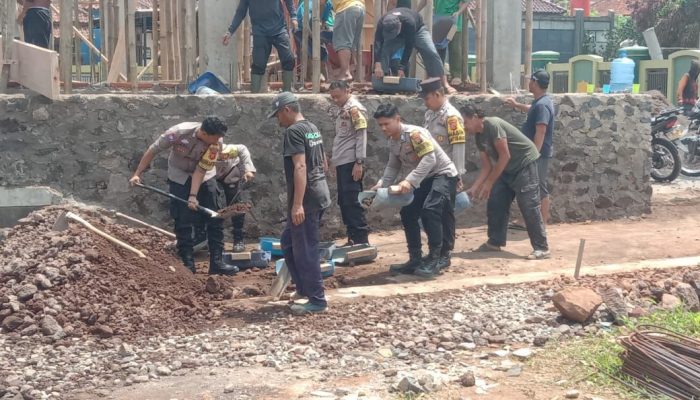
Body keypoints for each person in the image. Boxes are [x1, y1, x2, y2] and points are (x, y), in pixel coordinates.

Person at [129, 117, 238, 276]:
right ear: (205, 133)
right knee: (182, 219)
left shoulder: (217, 144)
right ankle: (187, 264)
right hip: (178, 175)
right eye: (215, 137)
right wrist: (137, 174)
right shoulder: (177, 133)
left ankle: (217, 263)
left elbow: (200, 171)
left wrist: (193, 196)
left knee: (214, 216)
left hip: (205, 176)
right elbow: (153, 150)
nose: (218, 140)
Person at [371, 103, 458, 278]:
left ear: (397, 119)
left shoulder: (414, 134)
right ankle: (415, 258)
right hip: (426, 178)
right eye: (380, 125)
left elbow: (429, 159)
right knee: (408, 212)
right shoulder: (394, 141)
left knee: (431, 209)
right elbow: (392, 166)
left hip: (443, 174)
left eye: (386, 124)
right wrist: (382, 185)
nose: (383, 128)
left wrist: (409, 181)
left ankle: (436, 258)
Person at [459, 104, 550, 260]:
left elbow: (505, 155)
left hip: (524, 164)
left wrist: (489, 183)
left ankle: (541, 248)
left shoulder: (493, 125)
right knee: (496, 201)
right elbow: (487, 166)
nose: (464, 126)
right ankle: (495, 242)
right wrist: (474, 187)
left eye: (465, 122)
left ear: (475, 117)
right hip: (507, 168)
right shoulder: (479, 136)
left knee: (529, 205)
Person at [268, 92, 331, 315]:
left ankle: (317, 299)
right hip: (319, 192)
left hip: (308, 198)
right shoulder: (311, 127)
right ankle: (304, 289)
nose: (278, 120)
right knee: (288, 242)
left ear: (287, 110)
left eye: (277, 115)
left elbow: (301, 167)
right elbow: (324, 163)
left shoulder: (293, 131)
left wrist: (298, 204)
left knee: (305, 249)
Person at [419, 77, 465, 270]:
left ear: (438, 94)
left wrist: (457, 174)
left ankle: (443, 254)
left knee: (441, 212)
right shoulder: (430, 114)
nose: (425, 102)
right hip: (431, 171)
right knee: (430, 211)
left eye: (427, 98)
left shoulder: (452, 117)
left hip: (447, 172)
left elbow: (458, 146)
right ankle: (434, 253)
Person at [504, 69, 555, 226]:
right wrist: (516, 105)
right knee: (532, 186)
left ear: (535, 82)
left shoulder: (542, 106)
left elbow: (541, 130)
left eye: (530, 80)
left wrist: (533, 154)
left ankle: (542, 222)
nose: (528, 83)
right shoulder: (540, 102)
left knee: (539, 186)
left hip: (538, 154)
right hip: (536, 153)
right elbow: (531, 109)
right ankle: (532, 221)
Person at [373, 8, 456, 94]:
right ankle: (382, 83)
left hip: (418, 31)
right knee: (384, 51)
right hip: (398, 35)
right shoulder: (382, 22)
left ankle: (444, 84)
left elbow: (409, 46)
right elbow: (378, 42)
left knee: (431, 52)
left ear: (400, 25)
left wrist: (401, 67)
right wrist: (377, 64)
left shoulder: (409, 22)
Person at [193, 144, 257, 254]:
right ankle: (203, 238)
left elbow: (242, 149)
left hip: (229, 172)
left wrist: (248, 170)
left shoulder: (228, 150)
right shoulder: (199, 151)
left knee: (237, 205)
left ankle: (238, 238)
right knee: (208, 204)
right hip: (209, 176)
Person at [328, 80, 370, 246]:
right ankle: (352, 237)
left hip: (352, 162)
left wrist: (359, 162)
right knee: (344, 201)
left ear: (348, 91)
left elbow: (361, 135)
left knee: (353, 200)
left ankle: (361, 239)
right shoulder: (342, 110)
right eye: (333, 97)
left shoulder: (355, 109)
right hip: (342, 161)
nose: (335, 100)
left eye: (338, 96)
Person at [223, 0, 296, 93]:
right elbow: (240, 12)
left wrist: (294, 17)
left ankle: (287, 95)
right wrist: (229, 32)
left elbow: (289, 1)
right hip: (260, 32)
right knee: (258, 64)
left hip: (279, 29)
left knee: (288, 59)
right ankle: (254, 97)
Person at [417, 0, 469, 85]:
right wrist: (416, 11)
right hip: (439, 20)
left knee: (455, 49)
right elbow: (425, 1)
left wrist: (458, 12)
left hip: (453, 21)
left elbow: (466, 2)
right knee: (439, 48)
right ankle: (438, 75)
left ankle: (456, 75)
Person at [295, 0, 335, 81]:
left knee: (323, 53)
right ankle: (309, 79)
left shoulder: (328, 3)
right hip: (301, 29)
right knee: (310, 52)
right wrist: (314, 37)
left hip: (315, 29)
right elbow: (304, 23)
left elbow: (323, 20)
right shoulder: (309, 4)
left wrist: (320, 32)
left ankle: (324, 79)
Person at [331, 0, 365, 81]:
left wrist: (320, 18)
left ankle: (345, 73)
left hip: (345, 8)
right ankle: (351, 72)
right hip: (360, 8)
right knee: (351, 43)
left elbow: (322, 2)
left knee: (343, 42)